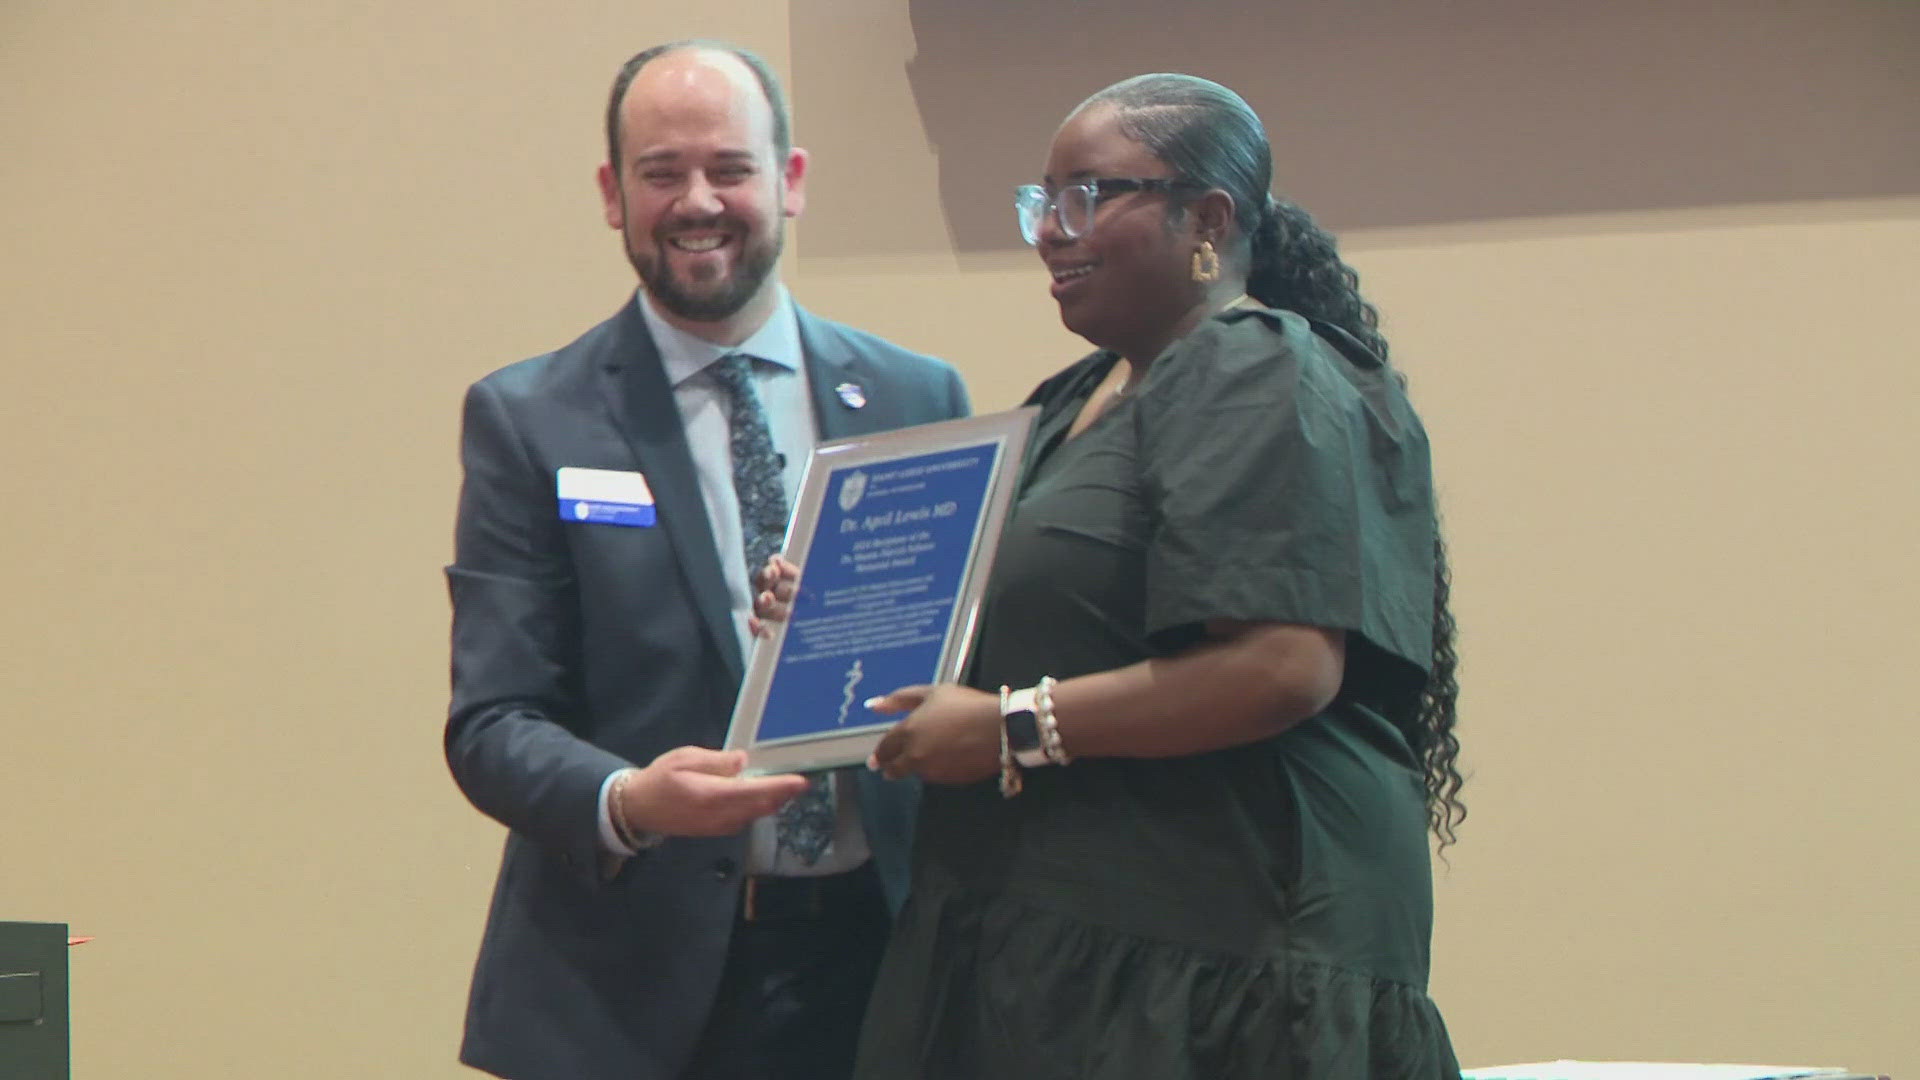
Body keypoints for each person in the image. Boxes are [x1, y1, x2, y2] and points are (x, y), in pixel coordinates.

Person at [825, 72, 1465, 1078]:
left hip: (1215, 984)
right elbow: (1010, 622)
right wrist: (830, 610)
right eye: (1043, 200)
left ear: (1206, 218)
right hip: (1051, 959)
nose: (1049, 230)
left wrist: (1007, 729)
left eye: (1086, 196)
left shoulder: (1256, 366)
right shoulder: (1074, 397)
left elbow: (1283, 665)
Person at [443, 40, 969, 1080]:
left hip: (885, 973)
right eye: (661, 172)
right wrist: (630, 801)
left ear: (791, 180)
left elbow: (964, 653)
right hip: (628, 995)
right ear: (612, 193)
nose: (698, 201)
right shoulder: (531, 419)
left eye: (730, 169)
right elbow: (491, 722)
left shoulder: (918, 398)